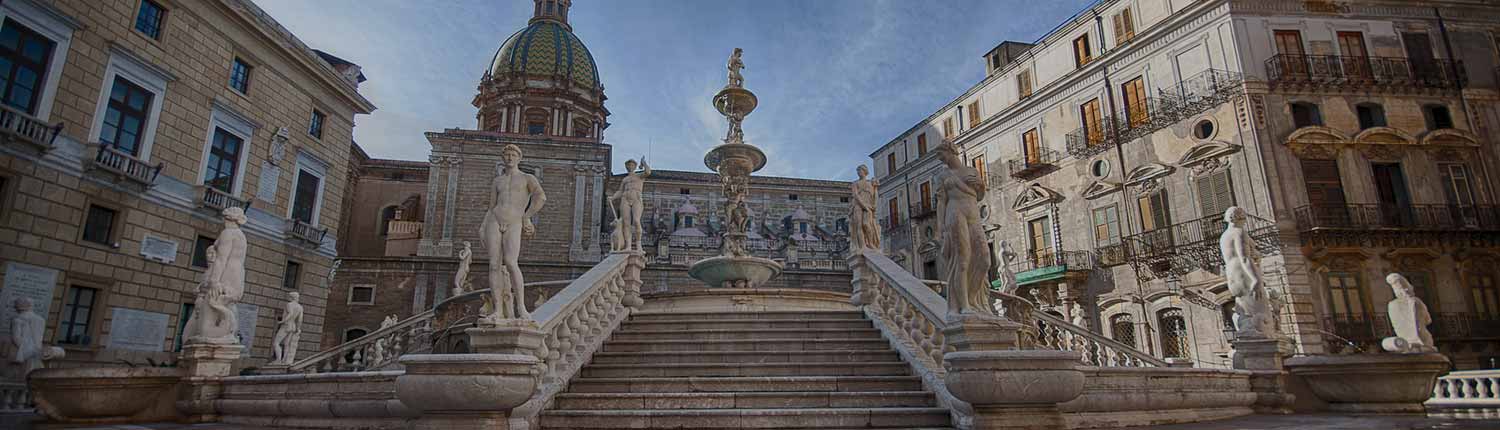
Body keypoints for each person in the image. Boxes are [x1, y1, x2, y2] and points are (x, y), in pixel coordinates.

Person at [480, 145, 547, 323]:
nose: (510, 157)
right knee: (494, 264)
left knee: (511, 262)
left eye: (513, 155)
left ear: (519, 158)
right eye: (507, 155)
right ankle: (498, 310)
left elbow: (541, 197)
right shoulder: (497, 181)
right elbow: (491, 206)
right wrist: (483, 226)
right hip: (494, 220)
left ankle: (521, 308)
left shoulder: (527, 178)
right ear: (503, 158)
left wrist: (527, 217)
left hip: (514, 220)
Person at [934, 142, 994, 318]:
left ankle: (973, 299)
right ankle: (963, 306)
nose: (941, 159)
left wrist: (981, 184)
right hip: (955, 213)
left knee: (984, 259)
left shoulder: (971, 171)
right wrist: (941, 229)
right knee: (962, 261)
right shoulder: (943, 175)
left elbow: (979, 195)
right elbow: (941, 202)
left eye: (941, 154)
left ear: (950, 151)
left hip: (973, 214)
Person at [609, 158, 650, 251]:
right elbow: (620, 191)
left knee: (636, 221)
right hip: (625, 198)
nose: (629, 167)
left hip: (636, 198)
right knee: (626, 223)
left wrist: (643, 163)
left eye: (631, 165)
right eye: (628, 165)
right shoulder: (625, 179)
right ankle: (628, 246)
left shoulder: (640, 176)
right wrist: (613, 197)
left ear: (635, 166)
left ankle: (639, 245)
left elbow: (648, 172)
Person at [849, 165, 881, 251]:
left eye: (860, 171)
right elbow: (855, 195)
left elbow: (874, 195)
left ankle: (870, 243)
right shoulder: (855, 183)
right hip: (858, 206)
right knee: (859, 225)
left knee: (867, 224)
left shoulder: (871, 183)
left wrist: (874, 205)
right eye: (858, 171)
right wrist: (863, 205)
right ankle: (862, 245)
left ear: (865, 171)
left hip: (869, 206)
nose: (858, 173)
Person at [270, 292, 304, 365]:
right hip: (293, 326)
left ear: (292, 297)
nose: (288, 298)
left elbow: (290, 313)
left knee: (276, 343)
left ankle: (278, 360)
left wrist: (282, 321)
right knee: (287, 344)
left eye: (289, 297)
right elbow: (300, 320)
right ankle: (285, 361)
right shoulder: (300, 307)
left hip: (286, 325)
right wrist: (298, 328)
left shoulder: (289, 304)